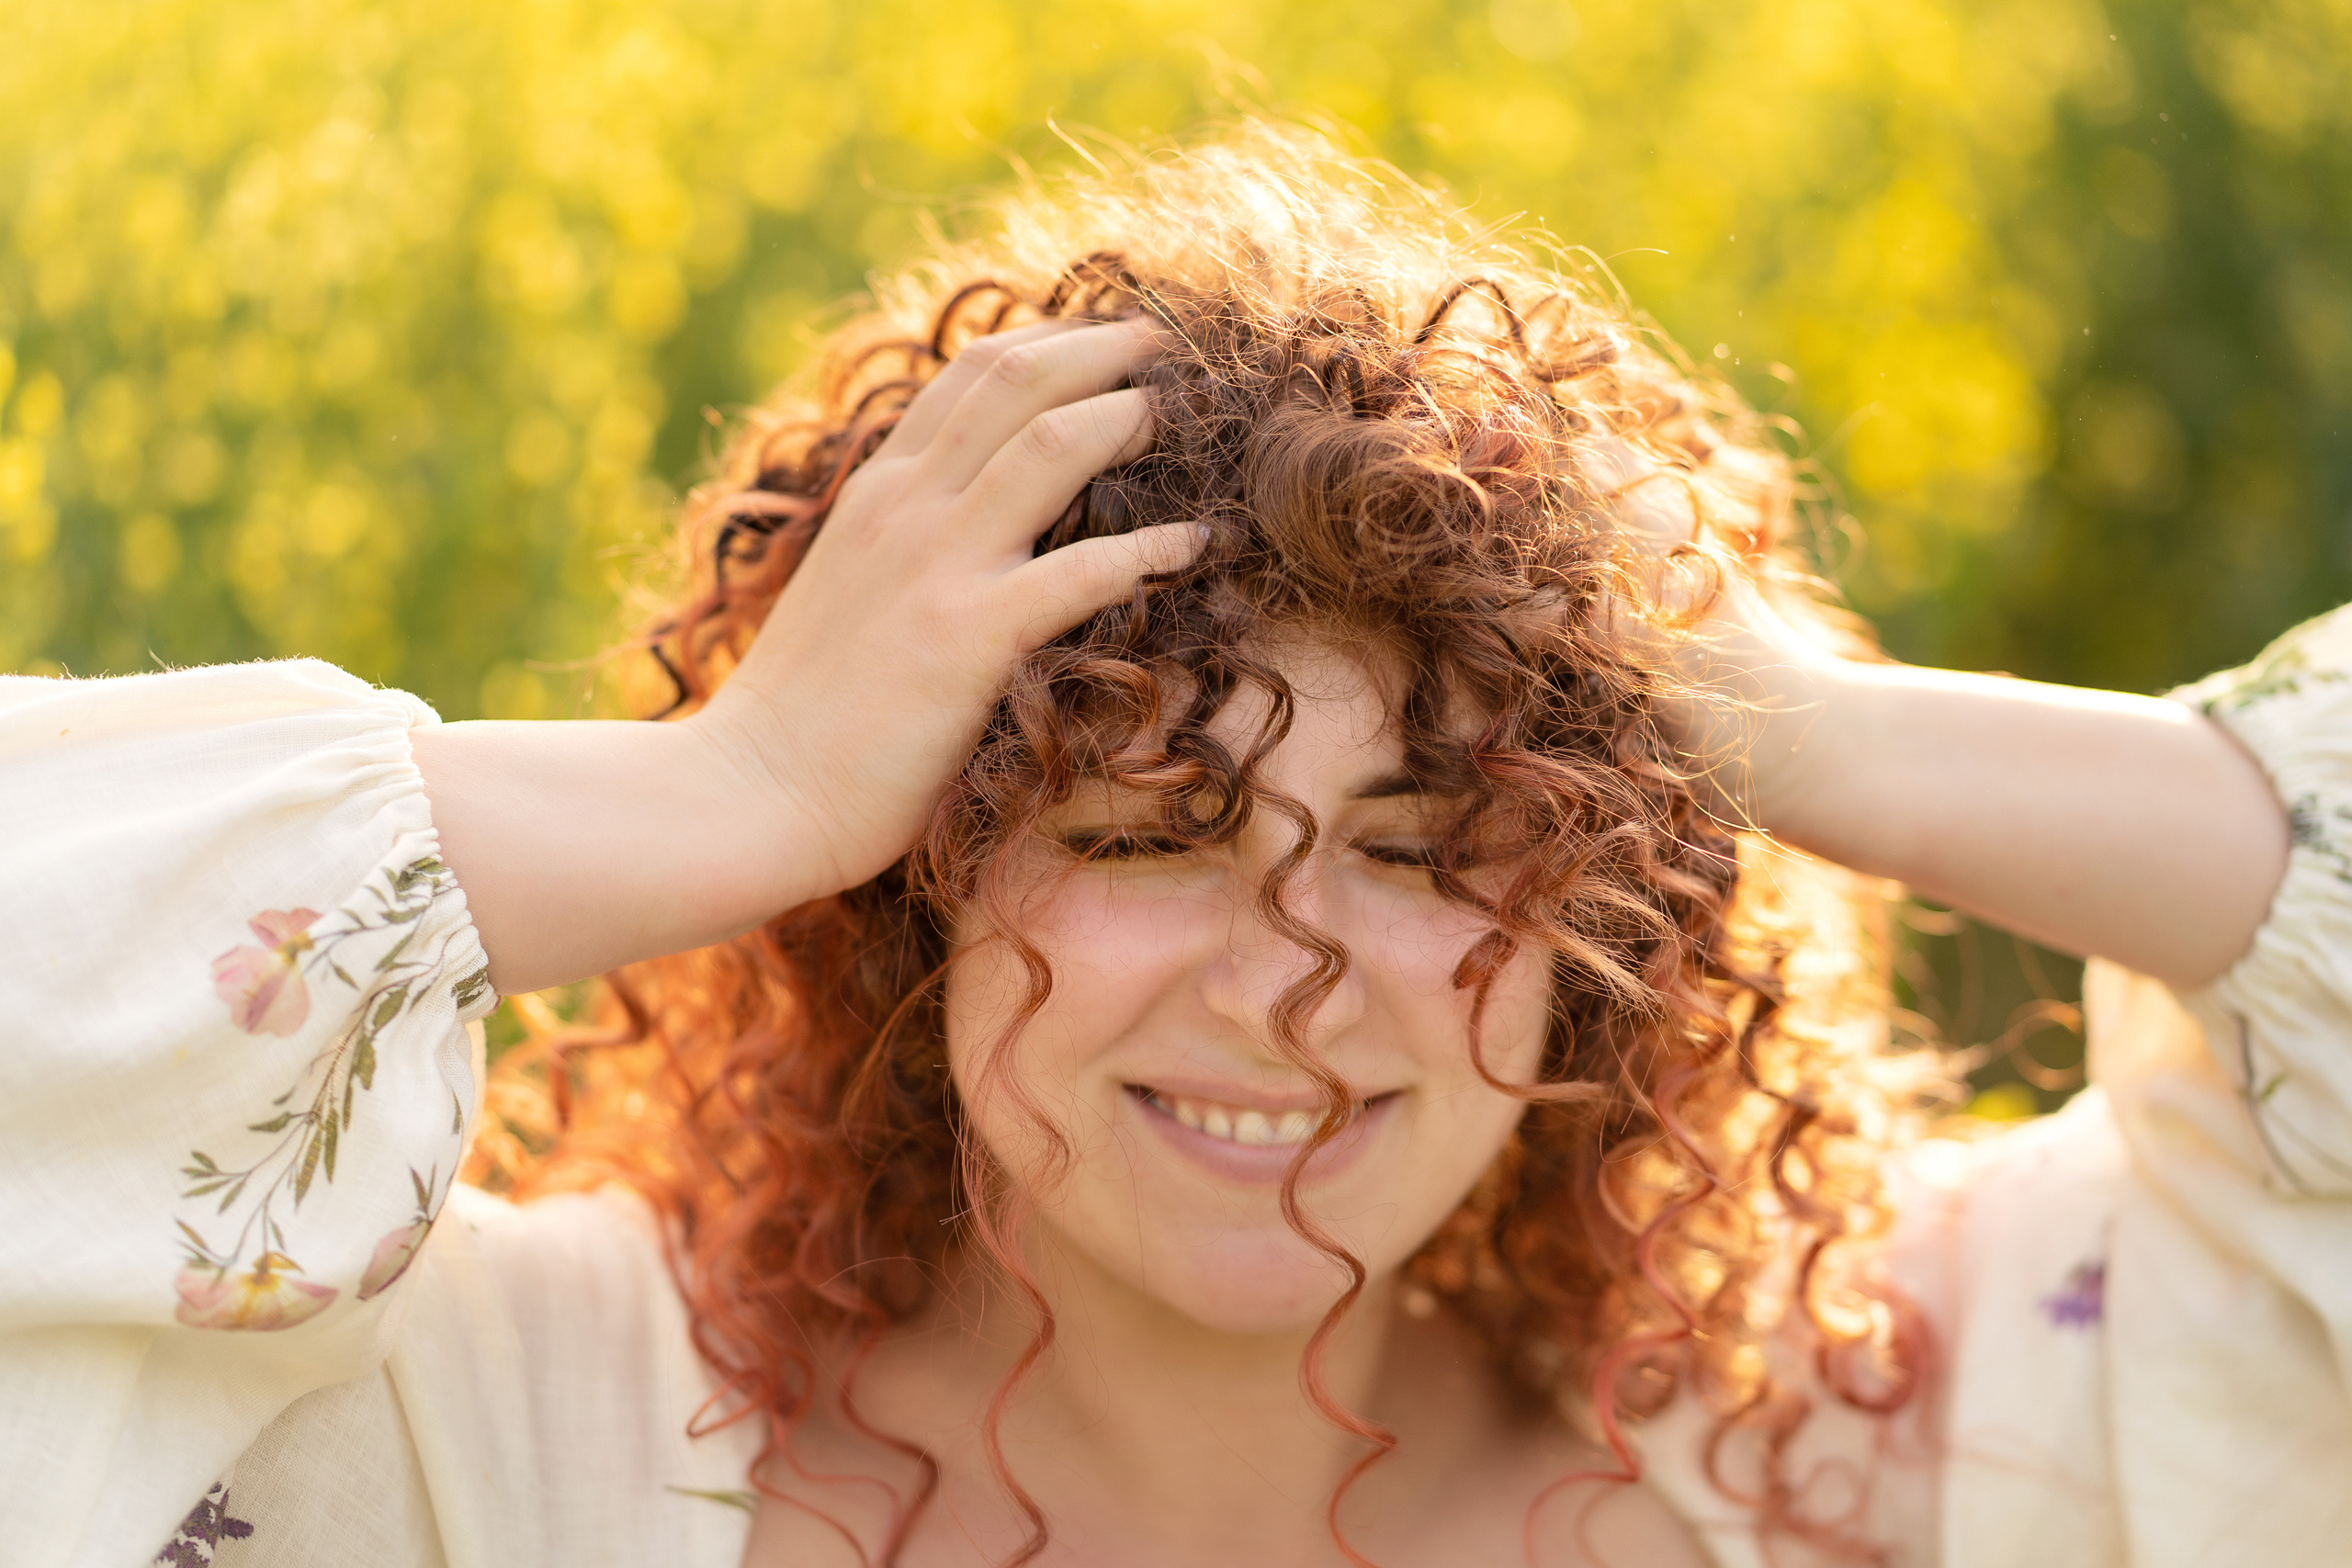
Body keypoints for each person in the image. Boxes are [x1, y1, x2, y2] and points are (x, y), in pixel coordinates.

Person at [3, 127, 2346, 1568]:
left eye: (1433, 847)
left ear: (1603, 925)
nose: (1292, 985)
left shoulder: (1888, 1439)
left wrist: (1821, 726)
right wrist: (722, 798)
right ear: (914, 868)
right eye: (1156, 825)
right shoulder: (461, 1449)